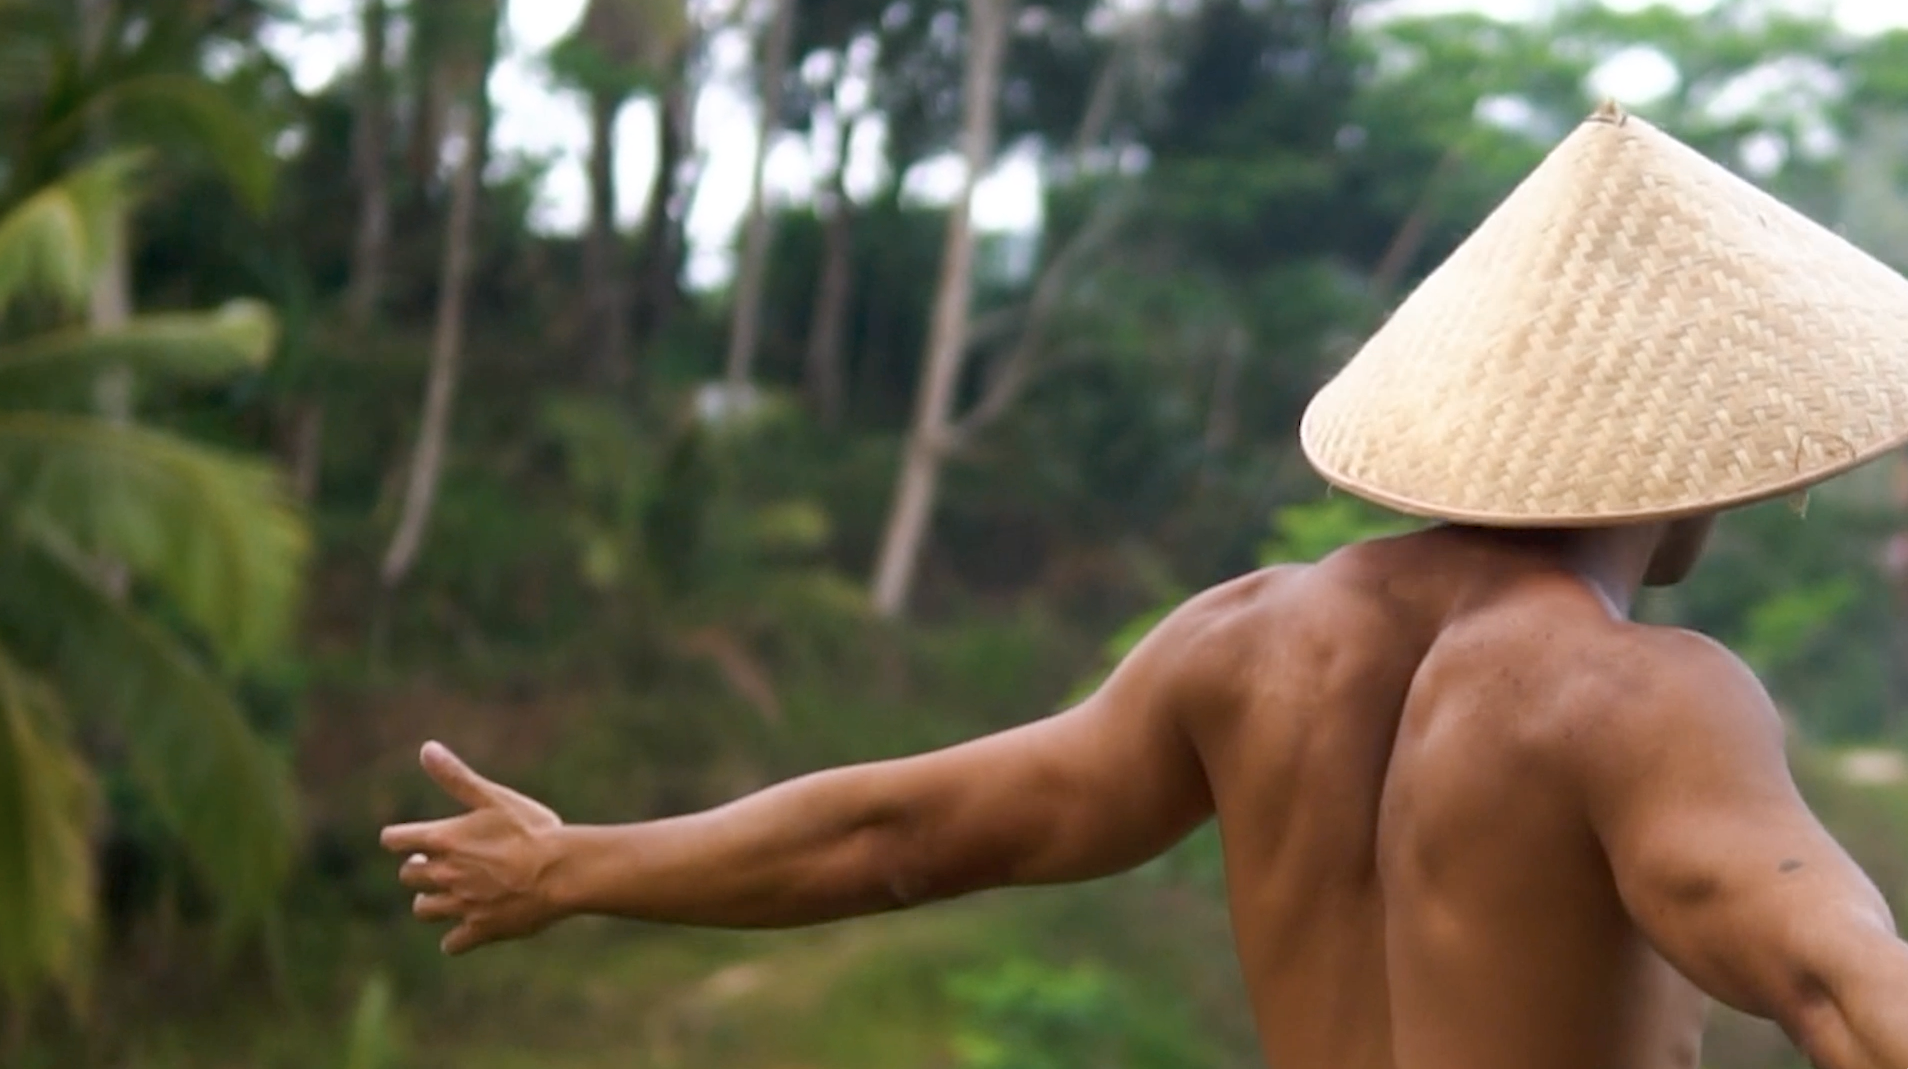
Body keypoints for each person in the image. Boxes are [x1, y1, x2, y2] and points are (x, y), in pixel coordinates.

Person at [381, 102, 1908, 1069]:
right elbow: (1839, 988)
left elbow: (901, 834)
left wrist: (574, 865)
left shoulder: (1244, 648)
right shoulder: (1647, 699)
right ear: (1698, 448)